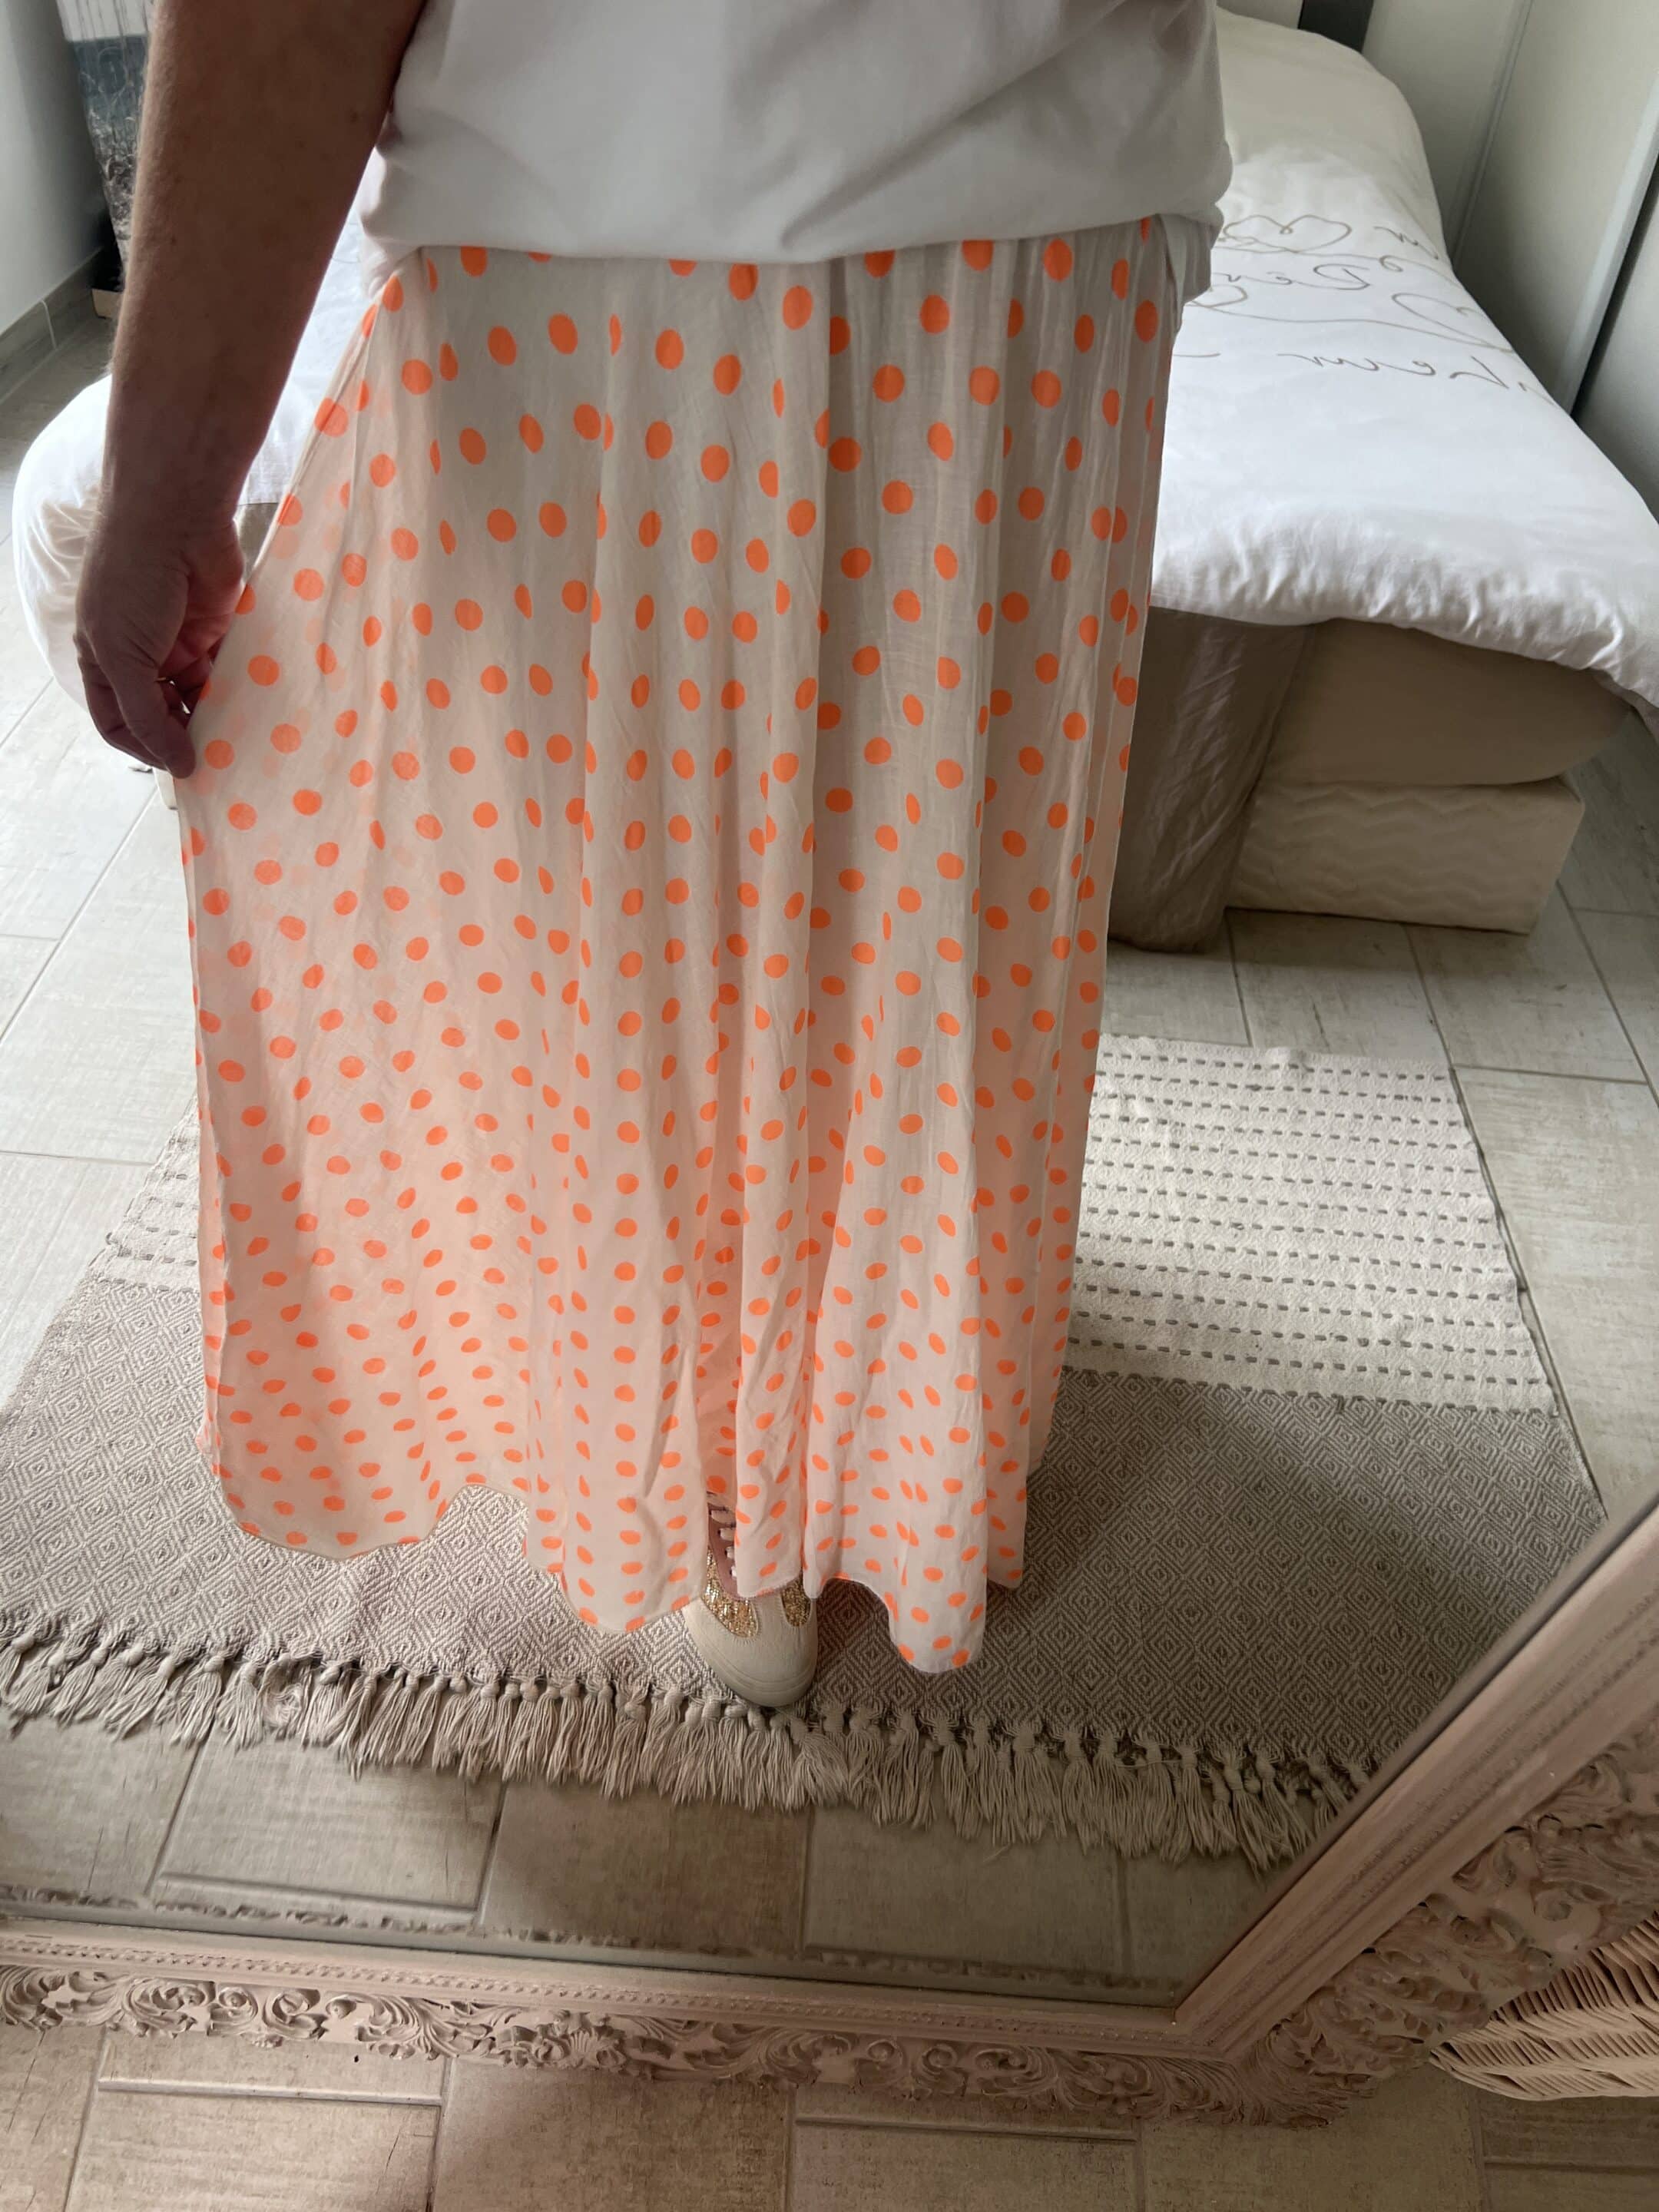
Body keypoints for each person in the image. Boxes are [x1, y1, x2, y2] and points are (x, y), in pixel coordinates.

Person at [73, 0, 1230, 1707]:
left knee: (684, 941)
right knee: (899, 917)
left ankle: (753, 1464)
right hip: (1012, 250)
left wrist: (169, 472)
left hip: (667, 246)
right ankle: (851, 1425)